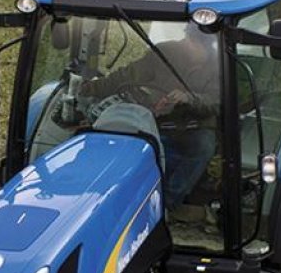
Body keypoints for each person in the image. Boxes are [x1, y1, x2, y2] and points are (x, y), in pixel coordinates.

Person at [80, 26, 221, 209]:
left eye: (195, 43)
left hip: (195, 126)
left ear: (208, 46)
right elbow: (127, 75)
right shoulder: (164, 52)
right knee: (129, 141)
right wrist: (91, 88)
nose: (188, 45)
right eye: (188, 39)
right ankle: (118, 196)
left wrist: (188, 98)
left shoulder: (219, 67)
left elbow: (216, 102)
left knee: (203, 147)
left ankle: (166, 204)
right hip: (158, 121)